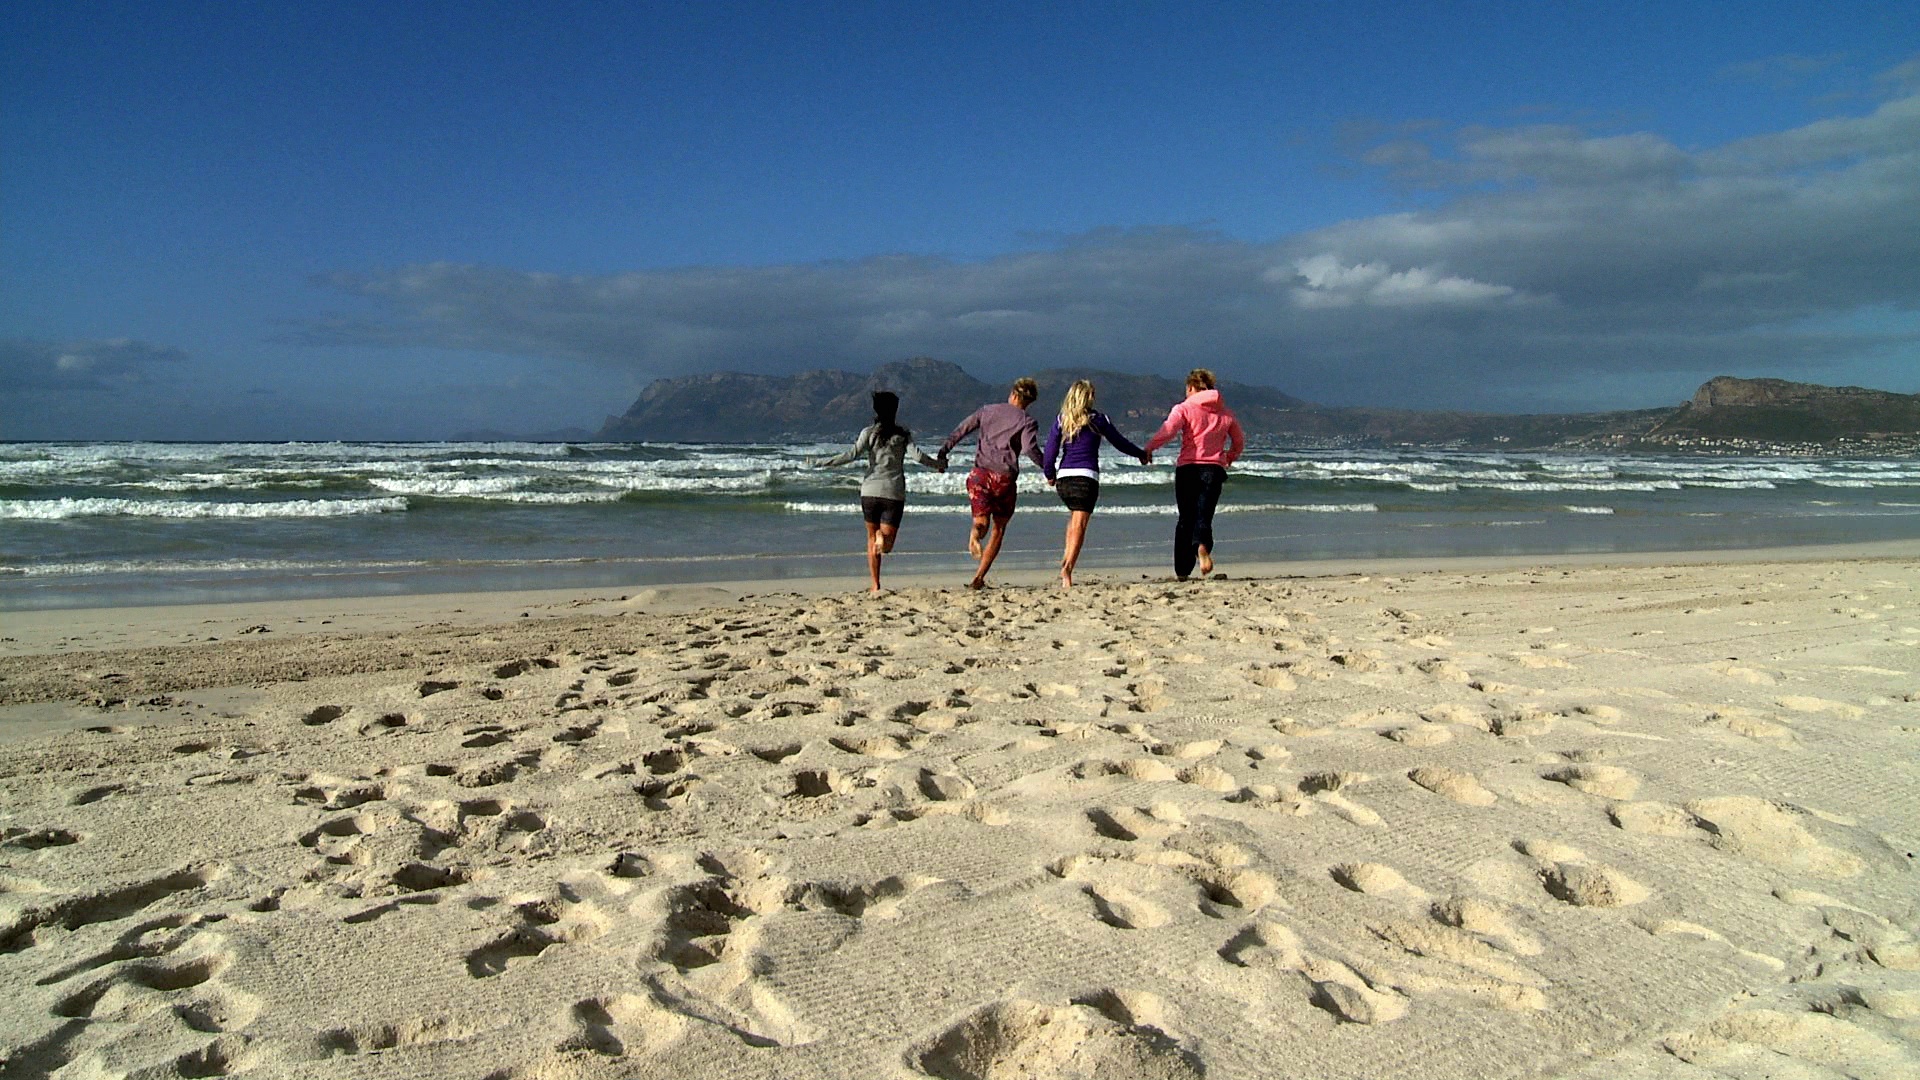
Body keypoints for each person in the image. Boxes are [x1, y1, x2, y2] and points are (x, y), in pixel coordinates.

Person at [814, 391, 944, 594]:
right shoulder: (902, 435)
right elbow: (918, 457)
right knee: (886, 544)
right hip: (893, 492)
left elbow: (851, 454)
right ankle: (881, 537)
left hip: (869, 492)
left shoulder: (868, 432)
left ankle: (875, 584)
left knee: (871, 541)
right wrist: (938, 465)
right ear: (895, 410)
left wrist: (822, 462)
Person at [937, 377, 1046, 590]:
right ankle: (978, 578)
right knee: (999, 529)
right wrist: (1048, 469)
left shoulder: (987, 411)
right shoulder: (1027, 421)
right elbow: (1030, 449)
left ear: (1013, 394)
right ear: (1029, 401)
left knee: (981, 521)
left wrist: (943, 451)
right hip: (1004, 480)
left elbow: (961, 430)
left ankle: (975, 535)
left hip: (979, 475)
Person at [1041, 379, 1149, 589]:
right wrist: (1140, 454)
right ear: (1087, 397)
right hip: (1086, 478)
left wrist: (1050, 474)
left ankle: (1066, 558)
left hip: (1064, 479)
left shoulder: (1061, 420)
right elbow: (1120, 442)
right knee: (1080, 524)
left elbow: (1050, 452)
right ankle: (1068, 569)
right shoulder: (1099, 419)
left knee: (1073, 519)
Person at [1144, 368, 1245, 581]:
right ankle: (1202, 547)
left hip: (1188, 469)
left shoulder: (1184, 408)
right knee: (1204, 515)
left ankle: (1182, 570)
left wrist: (1150, 448)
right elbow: (1239, 441)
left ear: (1191, 387)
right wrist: (1229, 456)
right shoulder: (1225, 413)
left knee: (1185, 519)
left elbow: (1168, 430)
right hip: (1213, 469)